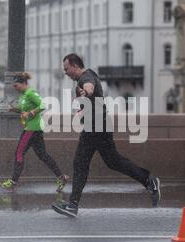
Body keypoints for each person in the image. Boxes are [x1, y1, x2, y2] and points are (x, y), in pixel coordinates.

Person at [51, 54, 161, 218]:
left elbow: (89, 88)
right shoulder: (89, 75)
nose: (65, 72)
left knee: (80, 163)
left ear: (75, 65)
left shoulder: (86, 78)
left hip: (96, 126)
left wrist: (85, 93)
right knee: (113, 161)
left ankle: (73, 205)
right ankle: (148, 180)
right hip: (98, 125)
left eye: (66, 69)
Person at [0, 72, 69, 192]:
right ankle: (61, 177)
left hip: (31, 129)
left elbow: (43, 105)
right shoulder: (23, 95)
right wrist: (13, 109)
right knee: (43, 155)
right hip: (34, 129)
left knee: (19, 153)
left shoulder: (30, 93)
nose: (15, 88)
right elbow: (23, 110)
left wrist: (31, 113)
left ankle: (13, 182)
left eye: (16, 86)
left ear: (23, 83)